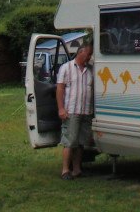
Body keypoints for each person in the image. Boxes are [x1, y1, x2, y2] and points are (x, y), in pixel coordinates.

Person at [55, 40, 94, 180]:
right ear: (81, 52)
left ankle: (77, 170)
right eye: (89, 54)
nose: (90, 57)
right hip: (71, 111)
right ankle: (65, 170)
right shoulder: (66, 68)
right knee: (69, 142)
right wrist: (61, 108)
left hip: (85, 111)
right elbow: (59, 89)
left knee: (81, 143)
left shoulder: (90, 70)